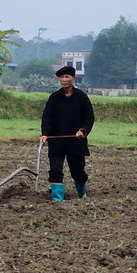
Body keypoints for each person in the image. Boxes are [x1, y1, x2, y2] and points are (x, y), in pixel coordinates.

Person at [40, 65, 95, 200]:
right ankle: (57, 199)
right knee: (55, 170)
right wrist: (45, 133)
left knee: (78, 172)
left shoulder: (81, 97)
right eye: (62, 77)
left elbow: (89, 118)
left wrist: (83, 131)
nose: (64, 80)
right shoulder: (54, 98)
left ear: (74, 78)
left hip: (76, 141)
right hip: (56, 141)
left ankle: (82, 194)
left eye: (67, 77)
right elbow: (47, 117)